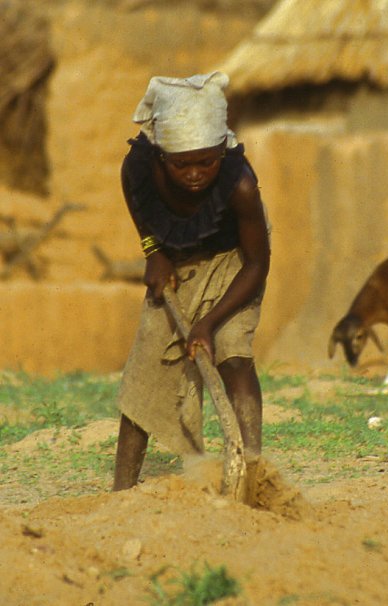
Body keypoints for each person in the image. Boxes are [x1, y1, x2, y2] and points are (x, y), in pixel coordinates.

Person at [113, 71, 271, 491]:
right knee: (147, 366)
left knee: (233, 353)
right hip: (177, 260)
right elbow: (136, 200)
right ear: (161, 155)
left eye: (207, 162)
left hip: (236, 262)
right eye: (181, 164)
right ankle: (121, 491)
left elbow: (257, 264)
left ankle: (250, 477)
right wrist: (154, 251)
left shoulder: (241, 185)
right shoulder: (138, 166)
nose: (195, 173)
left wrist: (208, 323)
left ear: (222, 150)